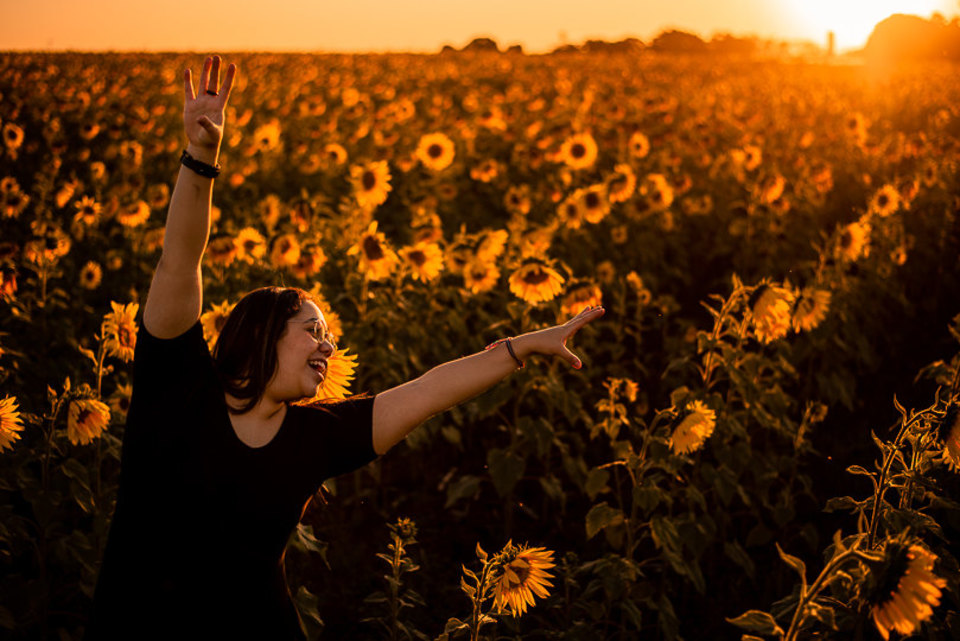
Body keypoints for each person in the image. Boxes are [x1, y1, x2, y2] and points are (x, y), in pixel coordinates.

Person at [83, 55, 605, 641]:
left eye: (328, 336)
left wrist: (525, 346)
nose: (328, 347)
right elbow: (180, 261)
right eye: (313, 329)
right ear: (263, 331)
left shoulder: (316, 437)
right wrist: (201, 156)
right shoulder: (177, 386)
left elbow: (430, 392)